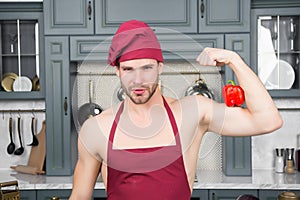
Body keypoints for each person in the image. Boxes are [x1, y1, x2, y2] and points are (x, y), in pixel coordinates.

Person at [69, 20, 282, 200]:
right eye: (128, 69)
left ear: (160, 67)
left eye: (147, 68)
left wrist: (235, 60)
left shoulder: (192, 112)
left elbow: (268, 120)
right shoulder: (96, 129)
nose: (138, 80)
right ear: (117, 71)